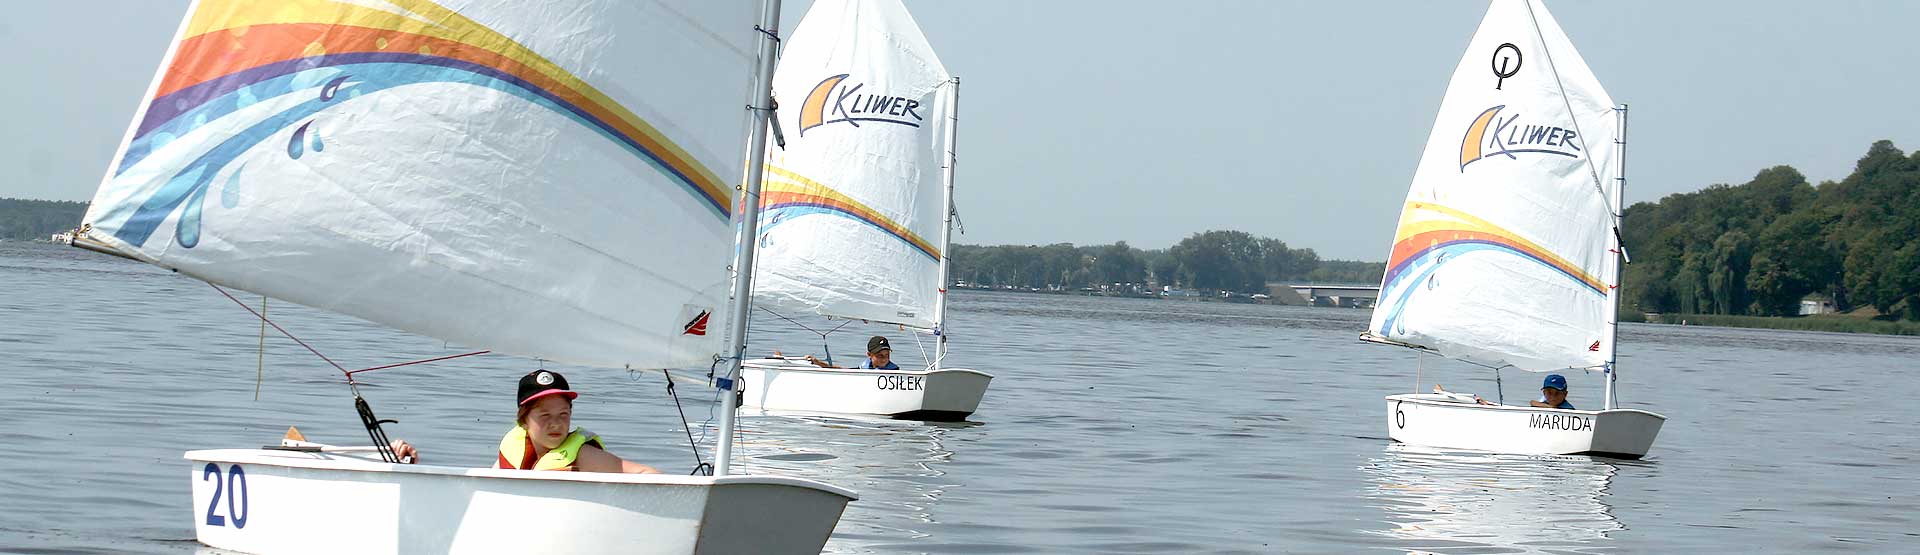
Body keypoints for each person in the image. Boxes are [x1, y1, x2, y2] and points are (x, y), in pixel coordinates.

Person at [495, 369, 660, 473]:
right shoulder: (513, 452)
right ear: (523, 420)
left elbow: (647, 473)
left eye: (563, 414)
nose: (556, 423)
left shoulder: (585, 456)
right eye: (545, 415)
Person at [784, 336, 900, 370]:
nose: (884, 359)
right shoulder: (863, 369)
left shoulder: (895, 373)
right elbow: (840, 370)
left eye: (887, 355)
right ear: (869, 355)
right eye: (880, 356)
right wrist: (818, 363)